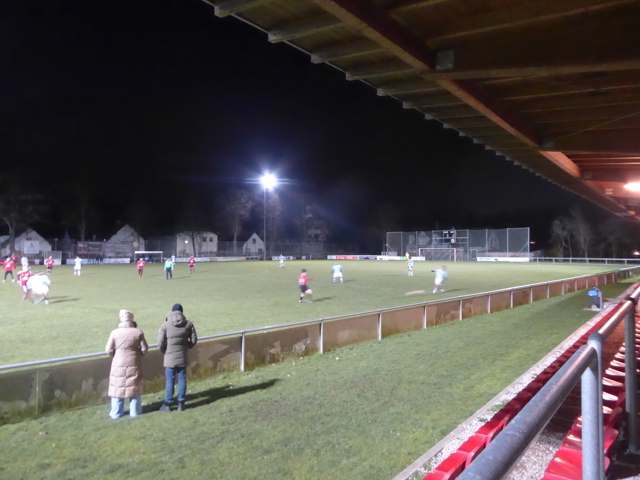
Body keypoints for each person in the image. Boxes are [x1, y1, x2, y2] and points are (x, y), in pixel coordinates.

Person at [105, 310, 148, 419]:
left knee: (117, 387)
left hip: (118, 362)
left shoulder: (114, 333)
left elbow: (108, 349)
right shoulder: (138, 332)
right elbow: (144, 348)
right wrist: (137, 355)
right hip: (134, 362)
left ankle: (116, 413)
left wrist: (116, 355)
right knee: (134, 387)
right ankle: (135, 412)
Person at [158, 303, 198, 412]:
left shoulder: (165, 325)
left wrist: (165, 351)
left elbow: (160, 343)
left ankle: (168, 404)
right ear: (182, 312)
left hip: (169, 357)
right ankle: (181, 403)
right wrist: (186, 347)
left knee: (170, 380)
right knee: (182, 379)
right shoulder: (188, 324)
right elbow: (194, 340)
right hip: (182, 356)